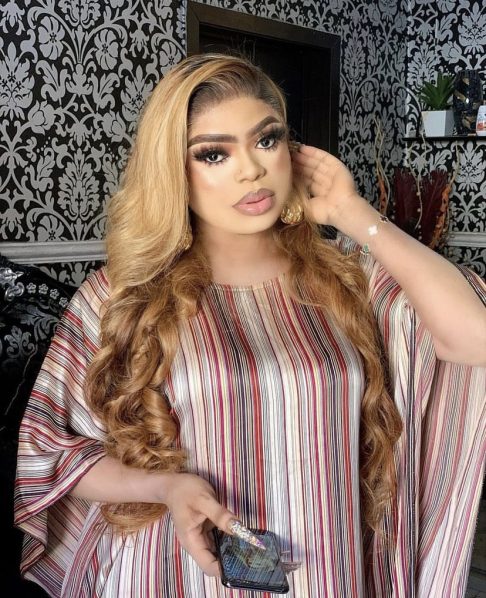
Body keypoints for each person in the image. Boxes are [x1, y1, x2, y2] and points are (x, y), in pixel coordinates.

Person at [14, 53, 486, 598]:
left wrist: (353, 213)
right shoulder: (122, 295)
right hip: (178, 571)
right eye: (214, 153)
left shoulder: (350, 280)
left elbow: (474, 339)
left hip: (325, 570)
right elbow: (47, 450)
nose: (251, 170)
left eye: (266, 140)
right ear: (173, 172)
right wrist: (165, 487)